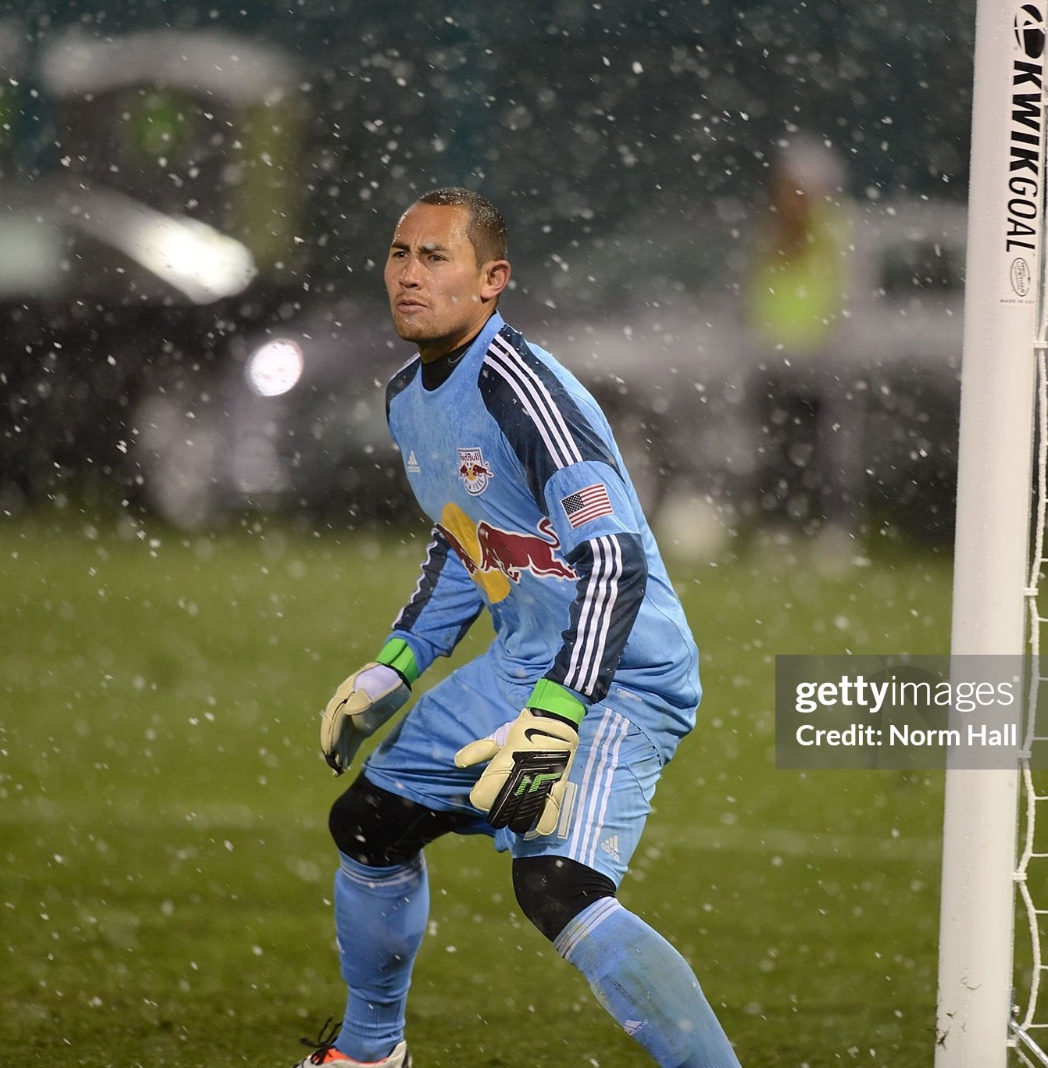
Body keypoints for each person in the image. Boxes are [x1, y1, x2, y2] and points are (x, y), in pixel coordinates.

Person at [291, 188, 740, 1068]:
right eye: (398, 254)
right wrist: (398, 661)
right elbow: (466, 539)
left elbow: (614, 559)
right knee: (369, 826)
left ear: (492, 281)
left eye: (435, 258)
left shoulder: (524, 391)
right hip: (519, 664)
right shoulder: (408, 398)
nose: (408, 276)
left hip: (620, 677)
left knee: (556, 885)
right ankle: (372, 1053)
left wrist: (556, 715)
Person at [745, 135, 864, 532]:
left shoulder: (836, 230)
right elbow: (757, 293)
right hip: (775, 360)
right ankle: (780, 526)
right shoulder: (771, 230)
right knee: (778, 450)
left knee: (826, 452)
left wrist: (831, 345)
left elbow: (846, 294)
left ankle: (831, 527)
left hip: (823, 363)